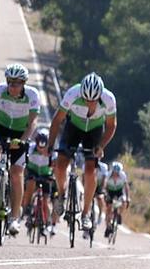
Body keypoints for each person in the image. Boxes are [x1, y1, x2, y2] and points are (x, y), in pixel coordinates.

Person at [0, 62, 42, 235]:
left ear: (24, 83)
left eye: (17, 83)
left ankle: (14, 218)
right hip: (1, 128)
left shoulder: (32, 95)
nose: (12, 86)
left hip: (21, 133)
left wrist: (22, 141)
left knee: (16, 173)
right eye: (10, 82)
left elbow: (33, 122)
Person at [48, 72, 117, 231]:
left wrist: (101, 146)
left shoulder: (109, 99)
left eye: (93, 100)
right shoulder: (72, 93)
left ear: (100, 96)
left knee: (90, 169)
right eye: (86, 99)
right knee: (60, 164)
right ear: (81, 94)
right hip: (73, 128)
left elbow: (111, 126)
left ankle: (85, 213)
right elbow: (58, 120)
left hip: (94, 131)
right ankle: (61, 193)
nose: (89, 103)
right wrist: (51, 145)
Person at [22, 128, 57, 236]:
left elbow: (55, 167)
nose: (41, 150)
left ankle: (48, 223)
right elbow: (24, 165)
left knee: (46, 201)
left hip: (46, 174)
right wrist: (25, 175)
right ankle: (27, 207)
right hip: (33, 172)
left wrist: (53, 177)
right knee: (30, 183)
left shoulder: (52, 153)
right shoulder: (31, 149)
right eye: (39, 147)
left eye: (43, 147)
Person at [102, 161, 130, 239]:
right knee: (108, 210)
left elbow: (126, 187)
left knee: (123, 202)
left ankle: (119, 214)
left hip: (119, 192)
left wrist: (128, 198)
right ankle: (108, 227)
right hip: (110, 192)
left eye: (117, 173)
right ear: (112, 171)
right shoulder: (108, 174)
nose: (115, 174)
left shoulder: (123, 175)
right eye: (114, 172)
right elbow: (104, 184)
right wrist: (104, 192)